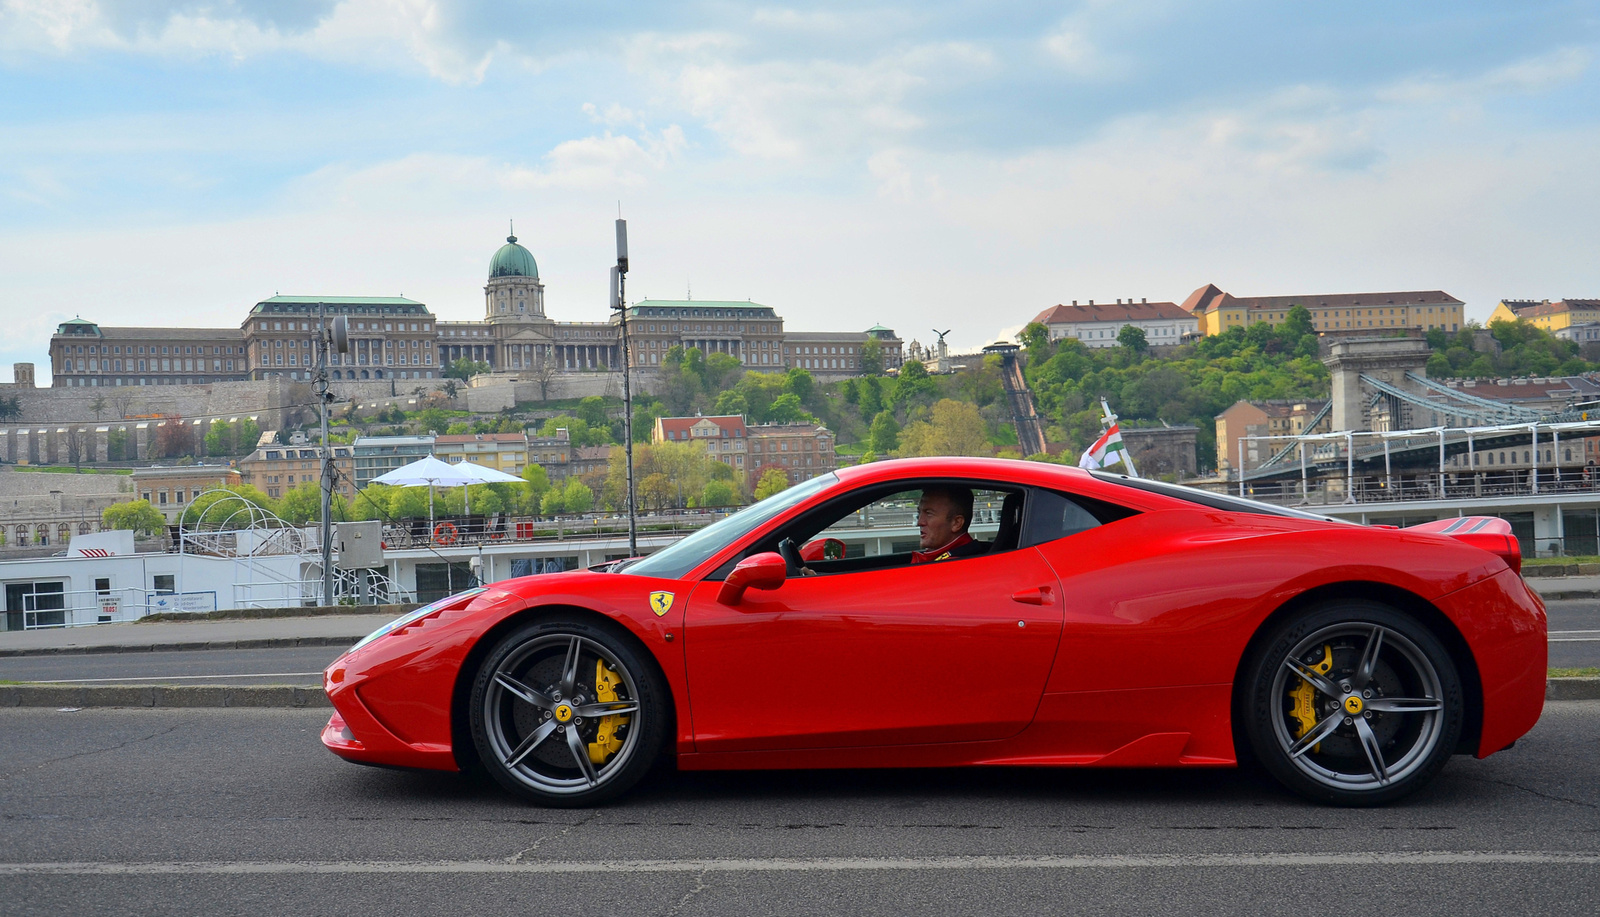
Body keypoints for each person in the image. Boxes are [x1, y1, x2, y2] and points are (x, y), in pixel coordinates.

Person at [911, 485, 986, 564]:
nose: (919, 522)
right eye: (919, 513)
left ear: (956, 523)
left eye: (929, 514)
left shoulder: (954, 566)